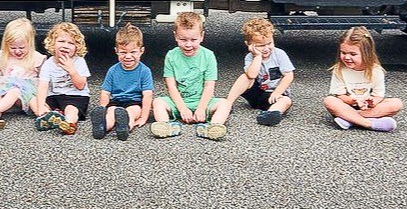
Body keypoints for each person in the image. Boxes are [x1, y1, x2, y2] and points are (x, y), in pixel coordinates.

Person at [151, 11, 227, 140]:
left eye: (193, 39)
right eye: (183, 39)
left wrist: (202, 108)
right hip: (179, 101)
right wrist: (182, 109)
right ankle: (166, 126)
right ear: (175, 36)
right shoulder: (171, 55)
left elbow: (209, 86)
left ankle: (212, 127)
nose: (188, 44)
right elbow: (171, 86)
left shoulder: (208, 55)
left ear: (202, 36)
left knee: (225, 104)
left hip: (202, 101)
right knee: (158, 102)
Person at [211, 18, 294, 128]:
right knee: (244, 77)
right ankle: (228, 103)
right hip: (257, 92)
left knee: (286, 101)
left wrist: (277, 93)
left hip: (273, 95)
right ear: (249, 45)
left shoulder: (279, 54)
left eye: (269, 43)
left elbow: (289, 75)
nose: (266, 48)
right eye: (260, 46)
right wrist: (258, 56)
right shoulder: (250, 57)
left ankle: (271, 114)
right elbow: (252, 75)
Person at [323, 26, 403, 131]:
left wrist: (372, 101)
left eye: (353, 54)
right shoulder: (339, 70)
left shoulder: (376, 71)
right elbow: (340, 95)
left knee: (396, 103)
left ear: (366, 54)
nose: (347, 57)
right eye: (343, 53)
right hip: (348, 105)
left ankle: (350, 119)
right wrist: (353, 101)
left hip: (368, 108)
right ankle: (369, 123)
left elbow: (378, 96)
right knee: (329, 101)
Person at [0, 17, 46, 132]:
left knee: (14, 91)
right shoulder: (3, 55)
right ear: (6, 44)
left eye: (22, 47)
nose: (17, 51)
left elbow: (43, 80)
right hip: (6, 91)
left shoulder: (36, 58)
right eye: (13, 48)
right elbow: (3, 77)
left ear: (30, 43)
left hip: (26, 93)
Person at [90, 23, 154, 141]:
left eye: (133, 52)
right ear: (116, 51)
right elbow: (105, 92)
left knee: (130, 113)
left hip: (134, 102)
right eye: (123, 52)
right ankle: (102, 127)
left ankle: (124, 128)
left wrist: (144, 117)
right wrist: (102, 108)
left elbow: (147, 95)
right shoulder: (113, 70)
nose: (128, 56)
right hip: (116, 102)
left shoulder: (145, 71)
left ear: (141, 51)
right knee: (111, 114)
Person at [35, 21, 91, 136]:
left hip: (76, 96)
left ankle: (68, 123)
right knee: (41, 104)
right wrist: (41, 106)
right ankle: (49, 117)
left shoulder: (79, 61)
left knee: (71, 109)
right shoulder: (48, 64)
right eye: (61, 41)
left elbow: (81, 86)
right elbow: (43, 86)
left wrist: (71, 70)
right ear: (52, 44)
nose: (65, 45)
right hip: (54, 96)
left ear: (76, 47)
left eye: (71, 43)